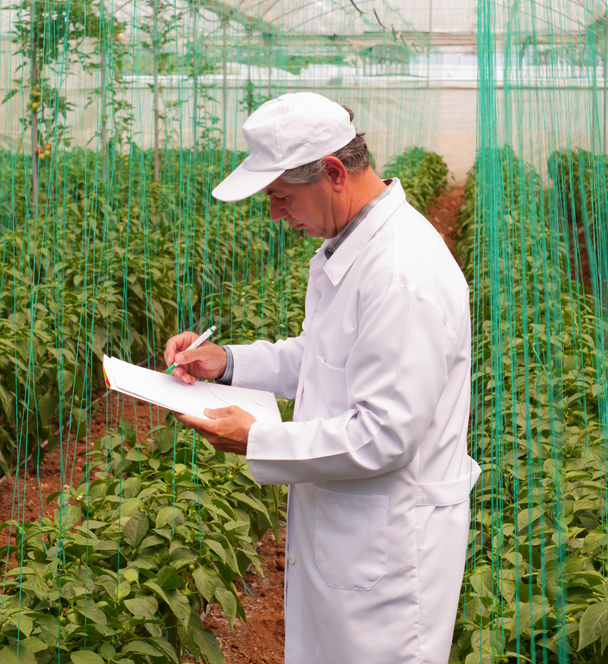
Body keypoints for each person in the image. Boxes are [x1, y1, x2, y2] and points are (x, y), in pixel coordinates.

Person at [163, 92, 480, 663]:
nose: (276, 215)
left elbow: (385, 432)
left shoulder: (403, 274)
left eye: (281, 197)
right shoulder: (356, 247)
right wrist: (227, 362)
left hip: (388, 560)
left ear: (333, 172)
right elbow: (323, 357)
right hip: (351, 535)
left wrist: (255, 438)